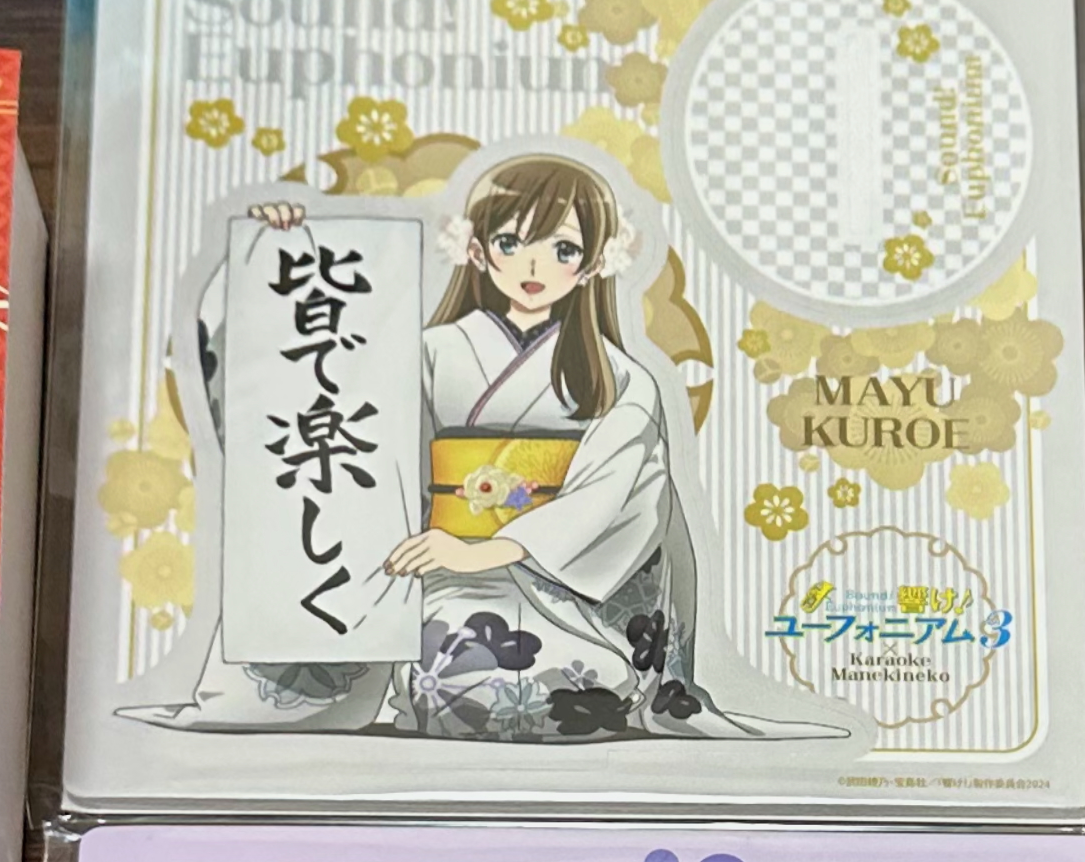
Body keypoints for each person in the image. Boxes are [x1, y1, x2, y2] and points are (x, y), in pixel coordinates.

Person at [134, 152, 825, 745]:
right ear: (477, 249)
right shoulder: (429, 352)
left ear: (593, 263)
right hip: (434, 577)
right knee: (450, 671)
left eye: (562, 249)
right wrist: (285, 257)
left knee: (556, 679)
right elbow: (320, 403)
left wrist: (488, 549)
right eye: (511, 241)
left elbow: (611, 498)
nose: (534, 265)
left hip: (565, 597)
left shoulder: (620, 379)